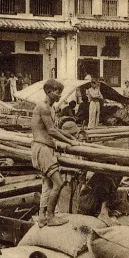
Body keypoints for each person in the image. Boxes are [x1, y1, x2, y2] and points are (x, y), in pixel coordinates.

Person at [31, 78, 81, 227]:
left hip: (46, 148)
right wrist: (70, 143)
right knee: (58, 183)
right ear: (48, 92)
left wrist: (70, 137)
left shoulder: (51, 108)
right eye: (57, 92)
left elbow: (56, 129)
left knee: (47, 184)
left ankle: (42, 217)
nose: (60, 95)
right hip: (42, 149)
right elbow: (52, 131)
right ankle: (51, 217)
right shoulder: (43, 107)